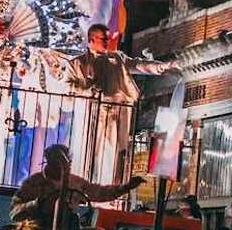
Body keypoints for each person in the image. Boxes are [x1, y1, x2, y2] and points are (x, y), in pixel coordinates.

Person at [10, 144, 145, 230]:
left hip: (69, 227)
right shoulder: (33, 183)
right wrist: (38, 204)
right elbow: (15, 211)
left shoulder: (75, 182)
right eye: (58, 163)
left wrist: (125, 188)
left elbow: (99, 192)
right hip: (38, 226)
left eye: (65, 163)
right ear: (48, 162)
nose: (63, 167)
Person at [69, 24, 184, 183]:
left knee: (113, 153)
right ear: (92, 39)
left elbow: (139, 65)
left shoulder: (117, 58)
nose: (107, 42)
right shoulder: (78, 63)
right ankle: (82, 186)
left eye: (108, 38)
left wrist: (164, 66)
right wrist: (88, 90)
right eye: (104, 39)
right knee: (87, 151)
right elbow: (70, 85)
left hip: (116, 112)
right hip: (91, 112)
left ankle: (110, 188)